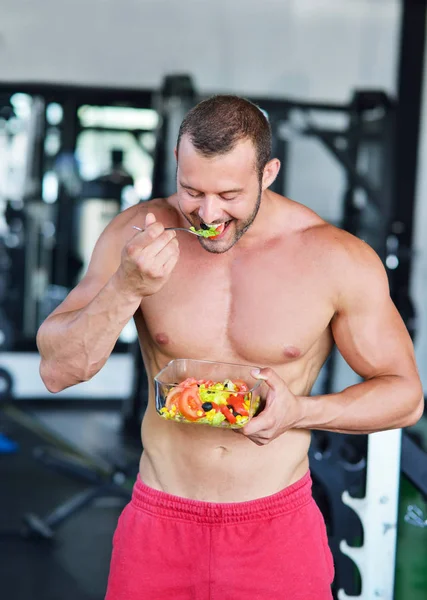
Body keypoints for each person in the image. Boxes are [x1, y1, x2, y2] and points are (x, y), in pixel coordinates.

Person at [36, 95, 423, 600]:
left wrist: (299, 411)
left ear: (268, 174)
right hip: (159, 523)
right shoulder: (136, 236)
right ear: (176, 161)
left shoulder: (335, 257)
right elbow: (57, 371)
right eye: (192, 190)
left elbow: (406, 397)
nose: (208, 214)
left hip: (276, 529)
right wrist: (126, 287)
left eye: (229, 194)